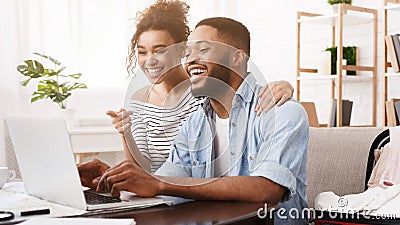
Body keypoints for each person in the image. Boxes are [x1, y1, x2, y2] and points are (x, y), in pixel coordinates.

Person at [79, 17, 309, 224]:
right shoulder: (196, 122)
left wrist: (160, 184)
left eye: (203, 49)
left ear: (237, 56)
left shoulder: (281, 111)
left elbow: (266, 189)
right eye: (188, 53)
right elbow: (165, 181)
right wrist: (116, 178)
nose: (191, 60)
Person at [105, 0, 294, 174]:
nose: (150, 60)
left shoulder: (204, 93)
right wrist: (123, 142)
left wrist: (284, 86)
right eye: (142, 52)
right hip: (170, 195)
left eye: (160, 50)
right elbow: (150, 173)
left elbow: (238, 85)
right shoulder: (146, 104)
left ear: (179, 50)